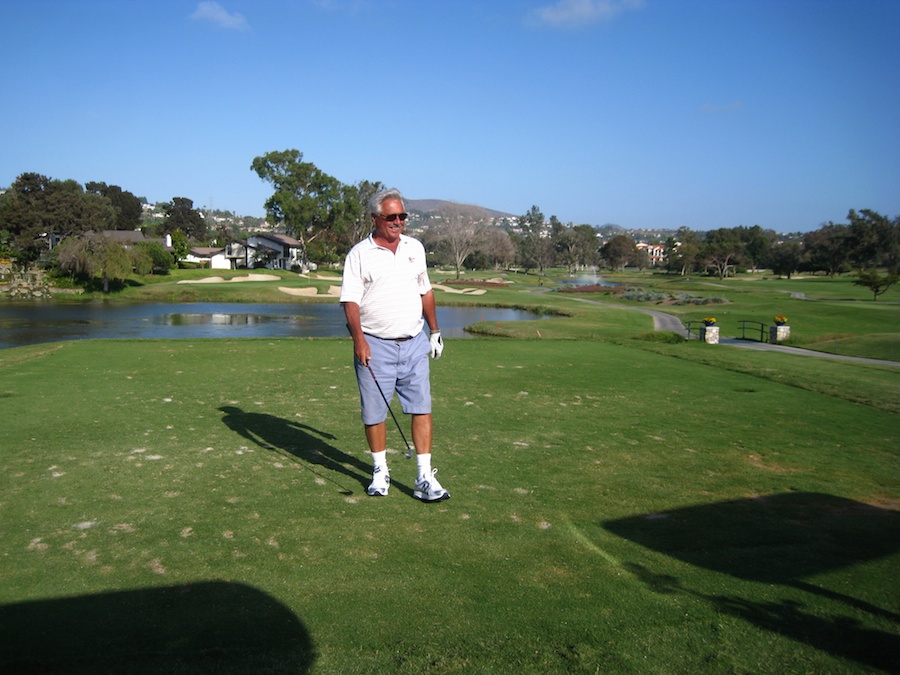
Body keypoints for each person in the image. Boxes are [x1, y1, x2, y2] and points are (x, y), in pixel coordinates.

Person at [340, 187, 450, 502]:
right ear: (376, 218)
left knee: (422, 408)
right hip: (375, 344)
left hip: (414, 341)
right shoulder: (359, 254)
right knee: (374, 413)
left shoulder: (415, 247)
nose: (398, 221)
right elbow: (350, 302)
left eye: (403, 216)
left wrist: (435, 331)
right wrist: (359, 341)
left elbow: (425, 291)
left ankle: (424, 477)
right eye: (392, 216)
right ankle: (379, 471)